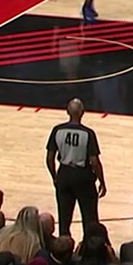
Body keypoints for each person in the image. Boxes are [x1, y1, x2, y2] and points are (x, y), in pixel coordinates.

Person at [45, 98, 107, 238]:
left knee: (64, 219)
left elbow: (49, 158)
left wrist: (55, 177)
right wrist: (102, 181)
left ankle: (63, 246)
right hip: (83, 176)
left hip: (64, 174)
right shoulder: (88, 133)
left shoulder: (57, 130)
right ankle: (89, 246)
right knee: (90, 218)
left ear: (67, 112)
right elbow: (94, 161)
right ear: (82, 113)